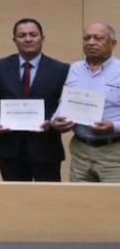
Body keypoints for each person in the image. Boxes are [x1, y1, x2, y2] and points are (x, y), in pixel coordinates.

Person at [0, 18, 68, 182]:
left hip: (46, 148)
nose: (28, 39)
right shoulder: (1, 66)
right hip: (10, 148)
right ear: (14, 40)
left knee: (48, 201)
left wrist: (52, 121)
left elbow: (64, 103)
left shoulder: (60, 69)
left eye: (33, 34)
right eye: (22, 35)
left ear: (42, 38)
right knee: (14, 201)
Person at [51, 22, 120, 183]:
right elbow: (65, 102)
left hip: (113, 153)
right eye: (86, 38)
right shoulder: (75, 68)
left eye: (98, 38)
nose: (91, 42)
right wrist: (56, 121)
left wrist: (113, 126)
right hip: (80, 153)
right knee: (79, 202)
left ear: (113, 43)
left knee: (113, 205)